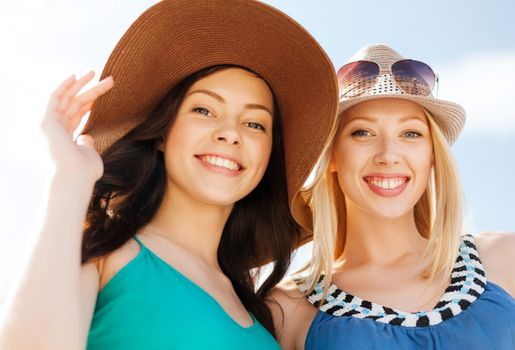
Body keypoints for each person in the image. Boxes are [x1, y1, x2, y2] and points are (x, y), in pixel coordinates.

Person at [0, 1, 339, 349]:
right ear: (163, 132)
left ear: (268, 155)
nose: (231, 133)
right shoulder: (106, 251)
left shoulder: (264, 315)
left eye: (255, 123)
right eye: (205, 110)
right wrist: (71, 178)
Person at [269, 44, 515, 350]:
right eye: (362, 133)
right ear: (331, 155)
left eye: (410, 134)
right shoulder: (287, 310)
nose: (389, 155)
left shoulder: (505, 257)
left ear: (432, 155)